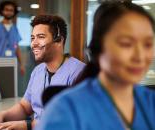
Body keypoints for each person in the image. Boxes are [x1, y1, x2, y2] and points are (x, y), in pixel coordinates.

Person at [36, 1, 155, 130]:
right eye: (126, 44)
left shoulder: (150, 102)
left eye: (148, 44)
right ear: (99, 47)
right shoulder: (64, 111)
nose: (140, 56)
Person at [0, 15, 85, 130]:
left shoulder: (79, 73)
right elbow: (24, 107)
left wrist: (28, 125)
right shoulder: (38, 71)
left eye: (41, 37)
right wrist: (2, 115)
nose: (34, 43)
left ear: (59, 40)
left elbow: (74, 120)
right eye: (32, 38)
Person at [0, 1, 25, 75]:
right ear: (2, 11)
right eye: (6, 9)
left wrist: (21, 64)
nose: (9, 12)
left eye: (11, 10)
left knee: (12, 85)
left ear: (14, 12)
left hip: (12, 63)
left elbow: (17, 47)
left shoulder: (15, 29)